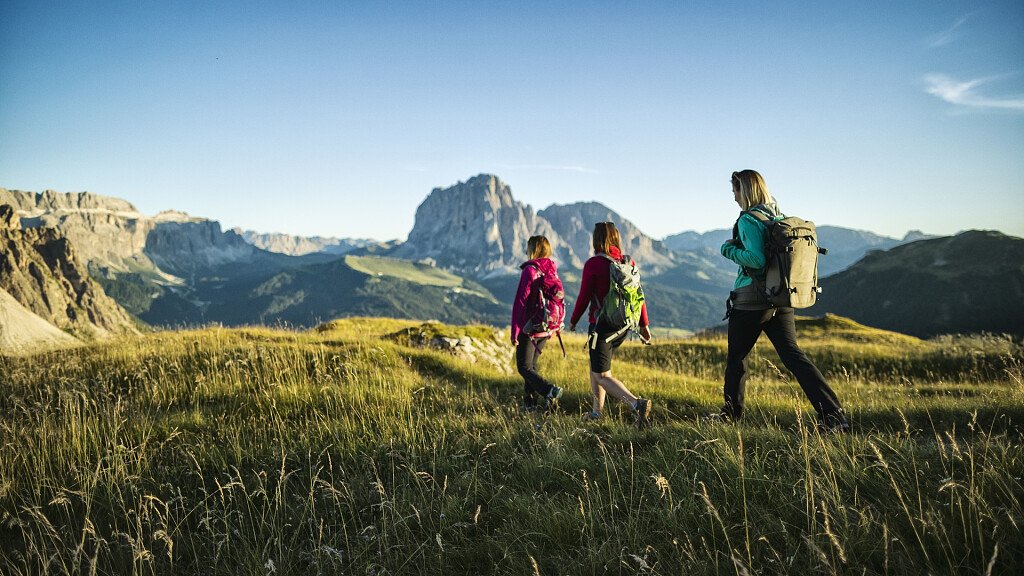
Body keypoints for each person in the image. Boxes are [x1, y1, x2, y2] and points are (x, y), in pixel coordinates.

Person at [718, 169, 849, 432]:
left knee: (737, 360)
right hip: (781, 298)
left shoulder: (748, 220)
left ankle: (730, 416)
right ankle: (834, 416)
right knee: (794, 357)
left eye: (735, 191)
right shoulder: (776, 216)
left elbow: (756, 259)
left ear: (744, 190)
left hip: (752, 301)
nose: (733, 197)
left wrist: (728, 250)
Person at [568, 222, 653, 426]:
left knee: (601, 375)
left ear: (596, 240)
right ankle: (597, 412)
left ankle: (636, 404)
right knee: (597, 367)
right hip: (623, 327)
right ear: (616, 238)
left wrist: (572, 321)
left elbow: (584, 297)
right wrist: (644, 325)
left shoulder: (594, 264)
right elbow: (638, 295)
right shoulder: (627, 262)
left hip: (601, 328)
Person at [511, 235, 564, 411]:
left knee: (524, 367)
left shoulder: (530, 270)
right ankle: (530, 405)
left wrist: (515, 331)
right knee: (531, 366)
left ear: (533, 249)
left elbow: (520, 303)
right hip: (546, 328)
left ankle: (549, 390)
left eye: (528, 248)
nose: (526, 251)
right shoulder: (551, 269)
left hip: (531, 328)